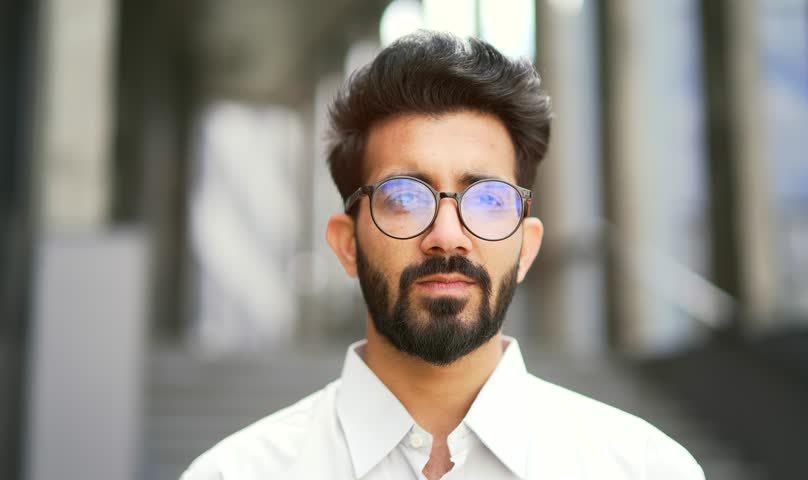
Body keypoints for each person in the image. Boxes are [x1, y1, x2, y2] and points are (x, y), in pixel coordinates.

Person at [180, 31, 705, 480]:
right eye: (406, 197)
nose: (448, 236)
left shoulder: (644, 469)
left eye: (489, 199)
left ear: (527, 248)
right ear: (346, 243)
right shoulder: (238, 474)